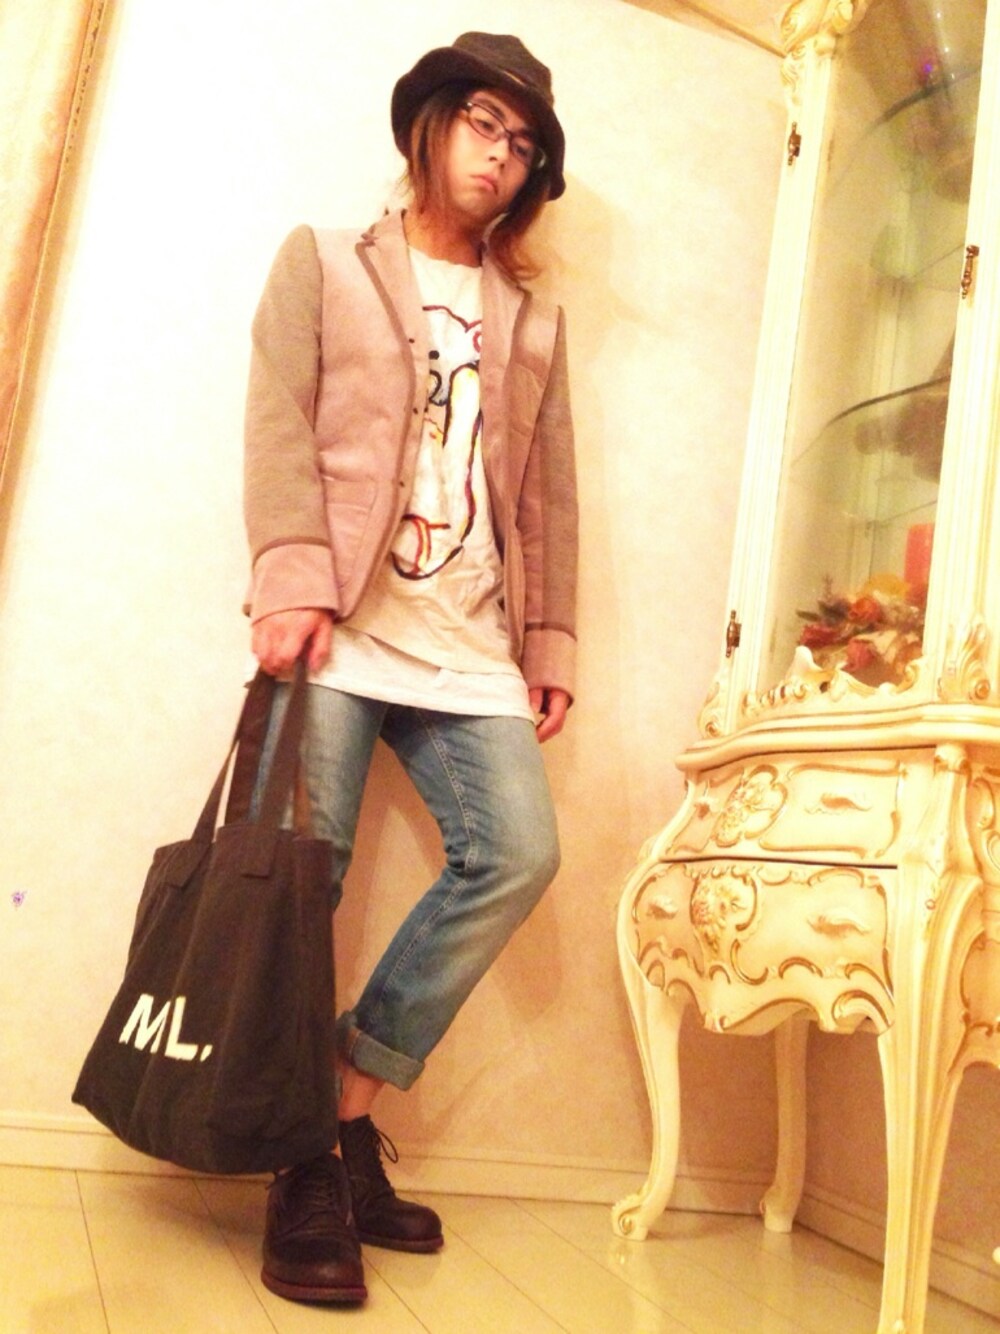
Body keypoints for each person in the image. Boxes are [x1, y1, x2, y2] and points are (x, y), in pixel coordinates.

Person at [243, 31, 577, 1306]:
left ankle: (339, 1108)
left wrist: (547, 642)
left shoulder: (533, 320)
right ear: (432, 124)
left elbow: (547, 495)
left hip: (468, 641)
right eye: (485, 124)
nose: (501, 157)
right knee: (305, 879)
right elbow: (278, 422)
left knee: (518, 852)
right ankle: (302, 1167)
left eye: (524, 145)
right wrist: (289, 578)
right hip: (343, 625)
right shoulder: (326, 261)